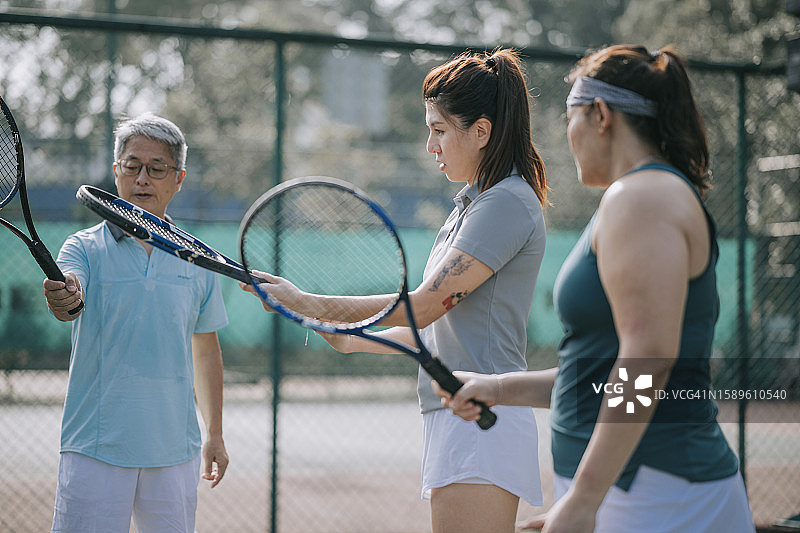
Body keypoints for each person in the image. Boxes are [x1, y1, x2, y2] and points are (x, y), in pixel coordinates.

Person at [435, 45, 756, 533]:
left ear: (600, 115)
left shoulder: (641, 198)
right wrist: (498, 388)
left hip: (657, 493)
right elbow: (602, 374)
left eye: (570, 117)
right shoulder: (638, 197)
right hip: (639, 494)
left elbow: (646, 358)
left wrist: (585, 500)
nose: (567, 137)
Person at [241, 48, 548, 533]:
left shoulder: (506, 203)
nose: (431, 144)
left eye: (440, 129)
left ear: (482, 131)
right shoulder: (472, 206)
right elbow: (436, 332)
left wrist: (311, 301)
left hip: (481, 424)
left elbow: (424, 307)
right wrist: (343, 331)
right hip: (459, 420)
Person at [43, 112, 229, 533]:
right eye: (132, 166)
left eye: (156, 168)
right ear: (116, 172)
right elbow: (69, 295)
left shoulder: (198, 259)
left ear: (178, 179)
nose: (142, 178)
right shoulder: (83, 247)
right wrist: (66, 293)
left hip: (176, 453)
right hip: (93, 449)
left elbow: (206, 348)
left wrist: (214, 433)